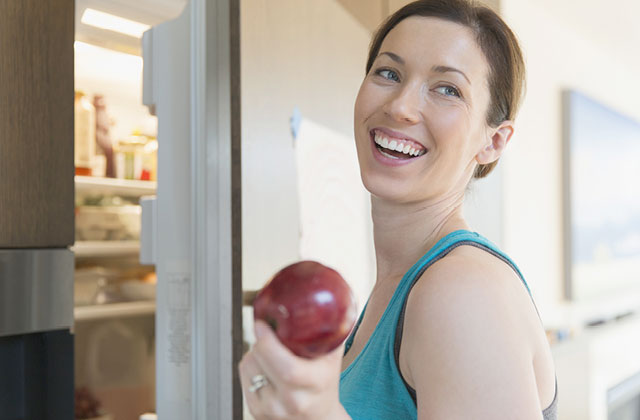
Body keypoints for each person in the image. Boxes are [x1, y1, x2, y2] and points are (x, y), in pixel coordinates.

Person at [238, 0, 558, 418]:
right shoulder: (392, 289)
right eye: (388, 73)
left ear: (493, 142)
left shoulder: (461, 293)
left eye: (448, 89)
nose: (401, 106)